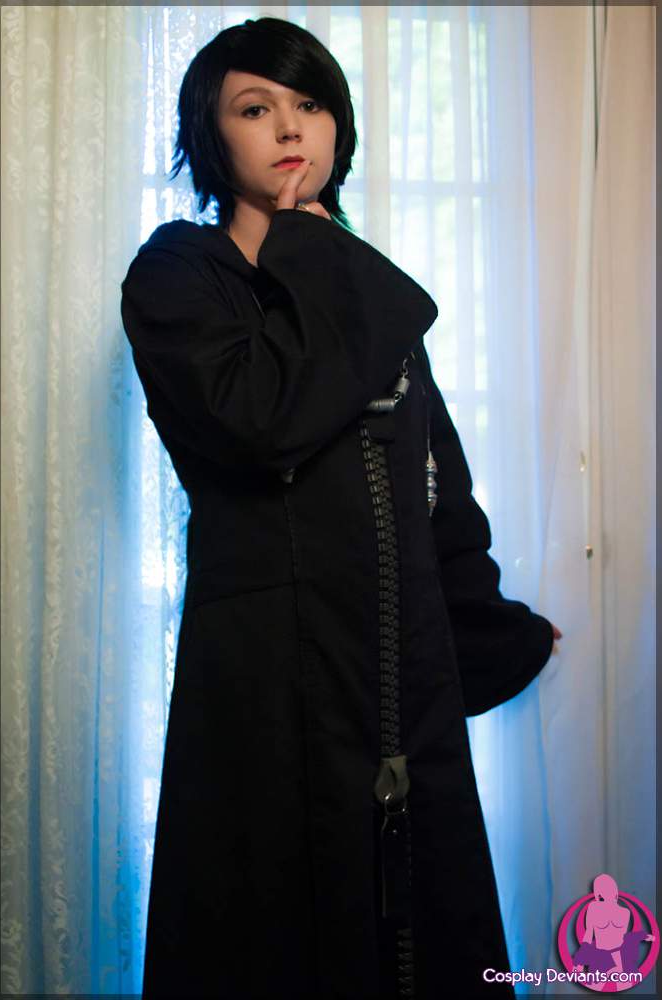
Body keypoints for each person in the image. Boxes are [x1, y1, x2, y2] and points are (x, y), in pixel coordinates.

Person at [120, 15, 562, 1000]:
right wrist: (311, 251)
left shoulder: (365, 291)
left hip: (398, 679)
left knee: (421, 942)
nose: (289, 127)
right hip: (264, 683)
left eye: (310, 103)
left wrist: (493, 628)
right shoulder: (177, 273)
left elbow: (436, 489)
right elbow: (258, 420)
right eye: (254, 108)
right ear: (210, 136)